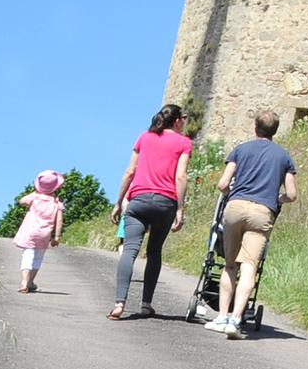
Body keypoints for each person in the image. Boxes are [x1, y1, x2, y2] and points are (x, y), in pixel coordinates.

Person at [204, 109, 296, 340]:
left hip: (235, 208)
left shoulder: (241, 149)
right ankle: (237, 319)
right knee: (249, 267)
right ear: (275, 131)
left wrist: (230, 191)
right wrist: (278, 198)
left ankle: (222, 317)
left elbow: (223, 183)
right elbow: (292, 194)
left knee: (230, 265)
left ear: (256, 128)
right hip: (262, 212)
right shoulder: (283, 157)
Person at [110, 103, 194, 320]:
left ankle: (119, 303)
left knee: (129, 250)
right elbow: (181, 176)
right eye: (183, 118)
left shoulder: (144, 137)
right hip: (165, 202)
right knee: (154, 251)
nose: (184, 122)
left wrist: (119, 201)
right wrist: (180, 209)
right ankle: (146, 304)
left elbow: (130, 171)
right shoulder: (184, 143)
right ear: (177, 121)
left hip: (138, 200)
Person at [10, 170, 64, 293]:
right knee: (38, 258)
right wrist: (56, 237)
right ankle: (30, 282)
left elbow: (21, 201)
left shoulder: (34, 197)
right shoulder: (57, 203)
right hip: (44, 234)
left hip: (30, 231)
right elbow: (59, 221)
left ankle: (24, 281)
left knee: (27, 255)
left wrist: (34, 193)